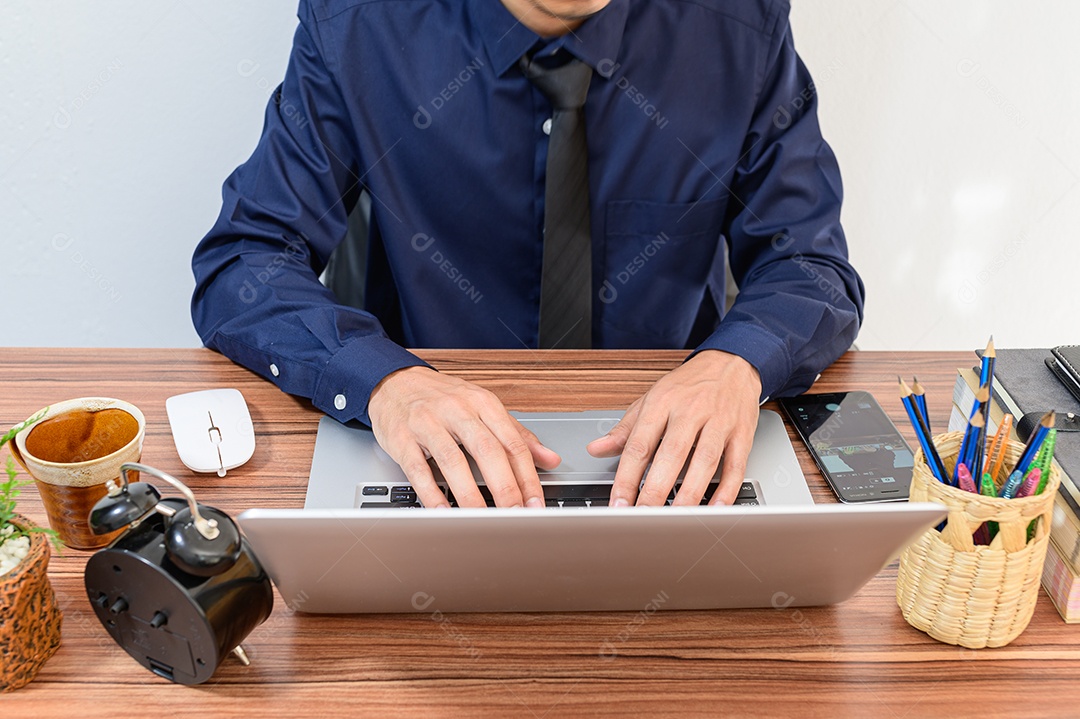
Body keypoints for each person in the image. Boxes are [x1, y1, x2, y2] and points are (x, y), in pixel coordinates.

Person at [191, 0, 865, 510]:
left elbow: (812, 265)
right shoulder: (360, 22)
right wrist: (382, 382)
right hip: (424, 451)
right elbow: (245, 258)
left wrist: (737, 365)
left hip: (667, 457)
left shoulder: (740, 23)